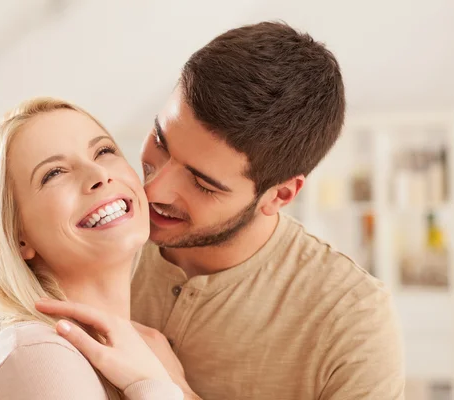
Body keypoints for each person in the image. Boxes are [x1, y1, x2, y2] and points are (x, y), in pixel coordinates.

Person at [38, 21, 406, 399]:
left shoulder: (352, 320)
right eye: (160, 141)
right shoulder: (92, 237)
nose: (153, 189)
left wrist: (169, 390)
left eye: (202, 183)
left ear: (278, 195)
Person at [0, 97, 185, 399]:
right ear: (17, 236)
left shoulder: (144, 352)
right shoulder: (37, 354)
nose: (98, 175)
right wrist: (157, 387)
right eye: (54, 173)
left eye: (104, 151)